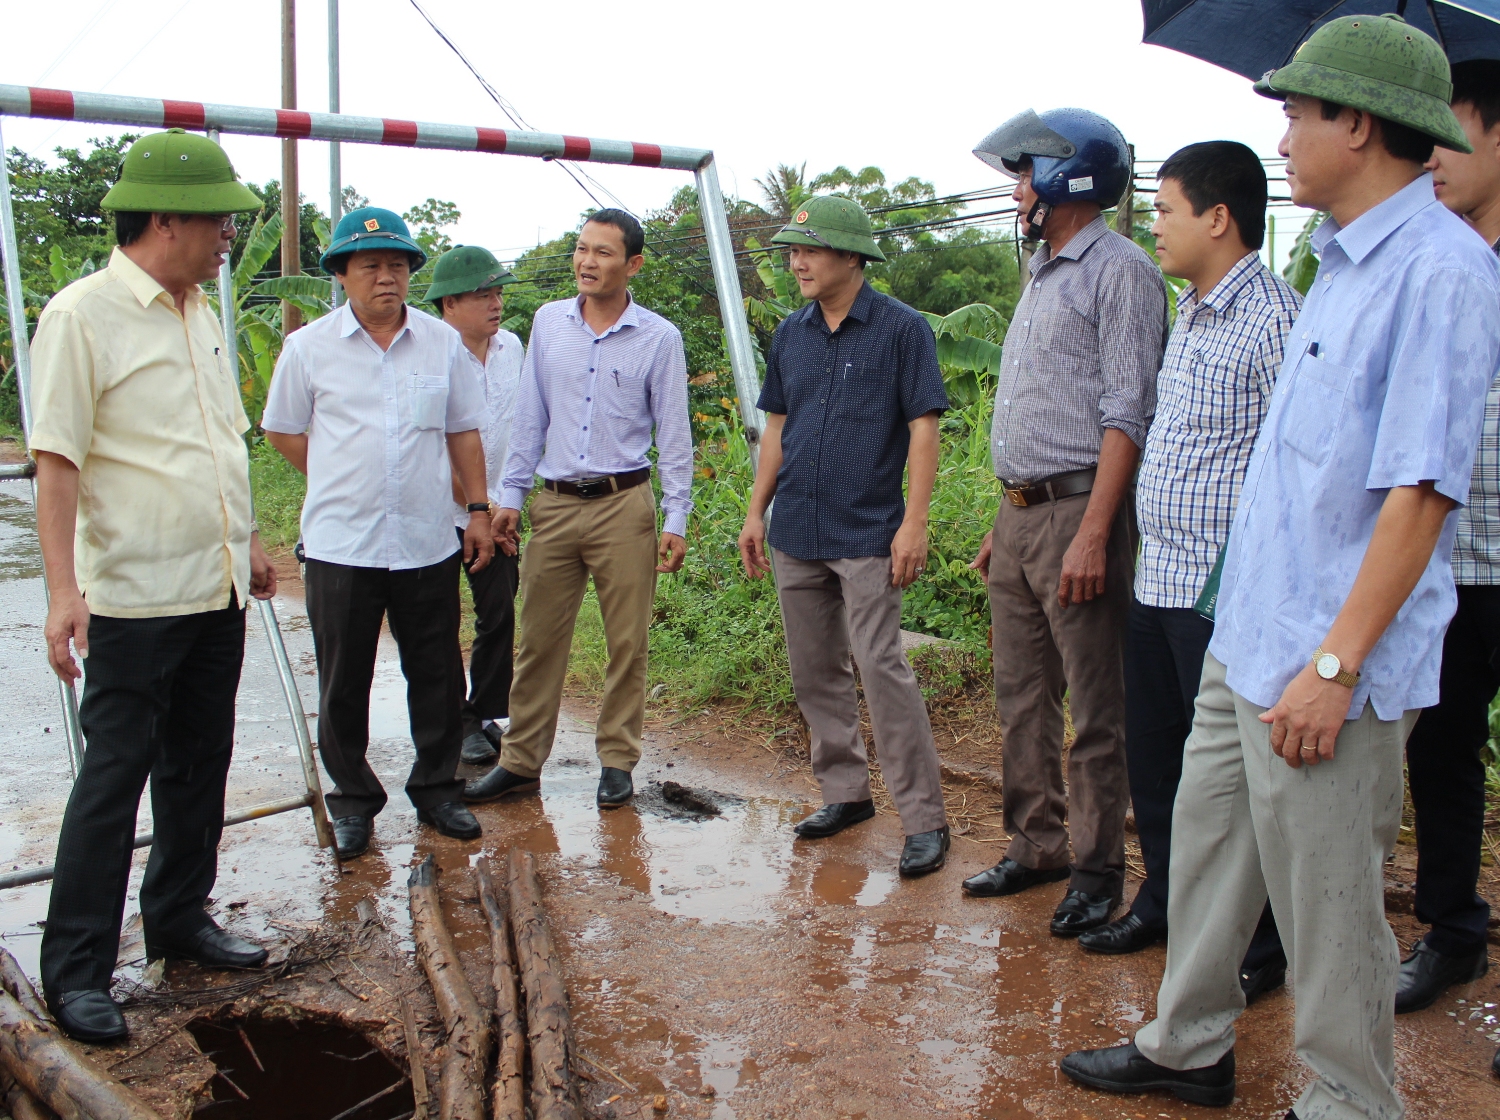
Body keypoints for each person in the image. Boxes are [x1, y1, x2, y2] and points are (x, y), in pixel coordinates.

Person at [1059, 16, 1500, 1118]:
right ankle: (1188, 1042)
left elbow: (1421, 493)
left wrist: (1336, 665)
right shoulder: (1340, 262)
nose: (1285, 138)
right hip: (1248, 636)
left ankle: (1351, 1096)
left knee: (1328, 897)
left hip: (1324, 660)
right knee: (1209, 852)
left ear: (1360, 125)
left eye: (1299, 114)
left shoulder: (1440, 271)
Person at [29, 130, 274, 1042]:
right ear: (165, 219)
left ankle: (177, 917)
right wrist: (64, 593)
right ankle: (77, 970)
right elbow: (57, 462)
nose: (228, 238)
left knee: (198, 763)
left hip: (215, 588)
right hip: (132, 600)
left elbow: (220, 440)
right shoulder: (82, 316)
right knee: (114, 779)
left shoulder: (200, 310)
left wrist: (247, 539)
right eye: (219, 223)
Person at [1078, 141, 1294, 1003]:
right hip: (1159, 578)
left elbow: (1292, 465)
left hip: (1220, 594)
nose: (1156, 226)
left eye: (1166, 210)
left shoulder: (1275, 320)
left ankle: (1261, 940)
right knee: (1159, 765)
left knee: (1232, 784)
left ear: (1219, 217)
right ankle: (1165, 902)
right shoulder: (1192, 313)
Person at [961, 108, 1168, 936]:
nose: (1016, 191)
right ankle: (1036, 844)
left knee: (1096, 704)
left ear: (1065, 177)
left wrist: (1092, 533)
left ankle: (1096, 867)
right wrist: (1003, 518)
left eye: (1025, 175)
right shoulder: (1043, 270)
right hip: (1020, 516)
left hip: (1082, 512)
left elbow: (1128, 412)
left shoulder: (1122, 272)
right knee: (1021, 697)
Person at [262, 206, 493, 861]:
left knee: (437, 673)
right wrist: (337, 474)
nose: (386, 277)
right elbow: (282, 429)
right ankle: (354, 802)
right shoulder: (308, 348)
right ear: (341, 274)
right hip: (342, 545)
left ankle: (438, 790)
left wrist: (478, 510)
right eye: (370, 266)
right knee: (343, 682)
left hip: (426, 539)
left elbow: (463, 431)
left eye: (397, 264)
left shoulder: (441, 343)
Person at [736, 195, 952, 876]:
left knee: (881, 667)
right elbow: (776, 428)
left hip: (867, 529)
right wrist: (756, 512)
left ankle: (924, 819)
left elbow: (923, 428)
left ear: (851, 256)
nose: (797, 263)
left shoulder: (901, 329)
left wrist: (914, 521)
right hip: (796, 526)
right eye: (793, 251)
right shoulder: (791, 334)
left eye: (810, 250)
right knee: (813, 670)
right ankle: (846, 794)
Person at [463, 209, 692, 810]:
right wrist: (510, 496)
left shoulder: (659, 337)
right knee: (538, 641)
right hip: (556, 504)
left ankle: (616, 760)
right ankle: (520, 762)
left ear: (633, 264)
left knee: (627, 643)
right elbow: (530, 417)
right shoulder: (549, 322)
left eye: (603, 252)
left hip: (625, 505)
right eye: (582, 248)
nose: (587, 262)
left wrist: (676, 519)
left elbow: (674, 435)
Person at [1398, 60, 1500, 1038]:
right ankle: (1451, 929)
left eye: (1448, 133)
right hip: (1455, 555)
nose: (1430, 157)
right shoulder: (1437, 262)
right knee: (1442, 748)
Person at [428, 245, 525, 767]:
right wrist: (474, 510)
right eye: (482, 295)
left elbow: (522, 428)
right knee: (440, 620)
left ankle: (486, 710)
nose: (496, 303)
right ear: (449, 304)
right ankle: (458, 721)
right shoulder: (429, 354)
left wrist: (505, 505)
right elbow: (432, 446)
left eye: (498, 292)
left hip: (499, 512)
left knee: (500, 611)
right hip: (440, 515)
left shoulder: (512, 347)